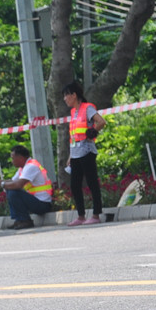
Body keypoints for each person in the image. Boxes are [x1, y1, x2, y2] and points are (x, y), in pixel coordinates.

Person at [62, 82, 107, 226]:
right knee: (75, 185)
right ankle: (81, 216)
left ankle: (95, 214)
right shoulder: (73, 112)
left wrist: (93, 131)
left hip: (87, 151)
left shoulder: (87, 108)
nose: (65, 99)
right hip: (76, 153)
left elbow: (101, 121)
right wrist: (70, 156)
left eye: (66, 95)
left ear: (74, 95)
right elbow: (74, 135)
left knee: (92, 183)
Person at [0, 144, 52, 230]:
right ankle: (19, 220)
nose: (12, 161)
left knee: (13, 191)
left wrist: (1, 184)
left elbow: (18, 184)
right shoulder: (23, 168)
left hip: (43, 204)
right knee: (10, 189)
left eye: (13, 158)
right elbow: (12, 181)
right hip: (35, 201)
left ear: (20, 158)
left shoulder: (31, 166)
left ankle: (25, 220)